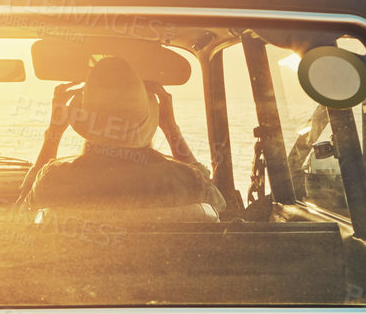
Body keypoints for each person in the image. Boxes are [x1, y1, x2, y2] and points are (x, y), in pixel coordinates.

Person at [18, 55, 225, 214]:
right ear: (150, 119)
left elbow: (21, 211)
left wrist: (54, 132)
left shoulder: (55, 181)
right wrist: (171, 130)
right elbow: (219, 206)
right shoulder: (186, 182)